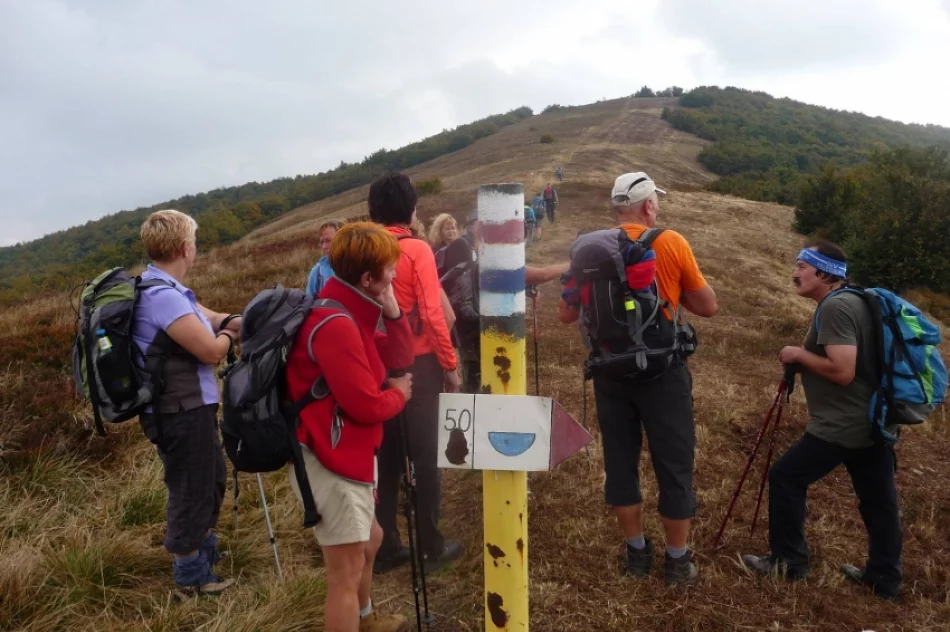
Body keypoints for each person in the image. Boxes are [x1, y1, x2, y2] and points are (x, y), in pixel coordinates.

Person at [558, 172, 718, 585]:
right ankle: (678, 561)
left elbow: (567, 314)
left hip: (610, 371)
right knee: (674, 462)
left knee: (620, 462)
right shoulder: (670, 241)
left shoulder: (589, 249)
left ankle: (636, 554)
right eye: (656, 202)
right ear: (648, 205)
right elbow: (708, 306)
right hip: (663, 372)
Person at [742, 242, 903, 599]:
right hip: (873, 418)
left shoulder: (835, 307)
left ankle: (788, 562)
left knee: (786, 477)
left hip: (843, 423)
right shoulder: (857, 300)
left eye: (802, 266)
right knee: (879, 499)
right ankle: (884, 578)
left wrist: (798, 355)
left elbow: (843, 371)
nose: (795, 273)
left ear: (824, 272)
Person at [286, 222, 414, 632]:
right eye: (390, 269)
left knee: (371, 541)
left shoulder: (349, 310)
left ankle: (366, 619)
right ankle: (356, 617)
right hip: (330, 458)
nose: (395, 274)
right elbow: (365, 404)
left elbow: (399, 358)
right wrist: (400, 395)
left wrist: (392, 309)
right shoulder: (336, 323)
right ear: (367, 278)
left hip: (347, 452)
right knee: (344, 574)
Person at [132, 209, 241, 596]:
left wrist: (232, 319)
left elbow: (205, 317)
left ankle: (202, 551)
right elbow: (210, 351)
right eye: (193, 240)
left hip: (188, 406)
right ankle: (190, 576)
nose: (194, 247)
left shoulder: (164, 288)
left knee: (210, 479)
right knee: (190, 487)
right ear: (184, 247)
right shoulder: (162, 296)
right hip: (179, 410)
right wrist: (230, 335)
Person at [367, 172, 463, 575]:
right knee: (426, 457)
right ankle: (431, 546)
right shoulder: (416, 249)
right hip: (419, 365)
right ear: (411, 211)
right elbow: (433, 314)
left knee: (387, 459)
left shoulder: (362, 250)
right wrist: (450, 367)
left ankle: (386, 545)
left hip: (376, 367)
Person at [441, 210, 568, 393]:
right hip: (483, 334)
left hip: (470, 333)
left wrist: (523, 289)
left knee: (475, 385)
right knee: (486, 386)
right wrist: (574, 264)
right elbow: (542, 275)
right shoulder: (494, 262)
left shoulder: (478, 258)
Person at [306, 219, 346, 296]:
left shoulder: (359, 266)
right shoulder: (317, 272)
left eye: (328, 241)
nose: (324, 246)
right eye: (322, 242)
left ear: (344, 240)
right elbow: (309, 300)